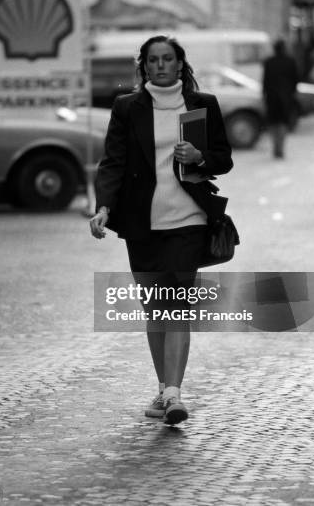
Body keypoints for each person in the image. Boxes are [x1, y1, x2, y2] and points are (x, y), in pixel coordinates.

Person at [90, 35, 233, 425]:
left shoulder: (203, 105)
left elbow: (224, 159)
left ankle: (174, 392)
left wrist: (200, 156)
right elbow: (112, 163)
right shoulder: (127, 108)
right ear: (144, 66)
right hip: (142, 224)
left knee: (178, 307)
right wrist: (103, 207)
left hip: (189, 220)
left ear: (180, 63)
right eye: (153, 60)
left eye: (167, 58)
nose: (160, 65)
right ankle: (164, 388)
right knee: (156, 309)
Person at [262, 39, 299, 159]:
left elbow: (265, 80)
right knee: (283, 123)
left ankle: (276, 146)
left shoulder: (269, 62)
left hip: (271, 97)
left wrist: (264, 94)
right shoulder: (290, 61)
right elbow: (295, 79)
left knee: (273, 123)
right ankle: (280, 147)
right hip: (286, 97)